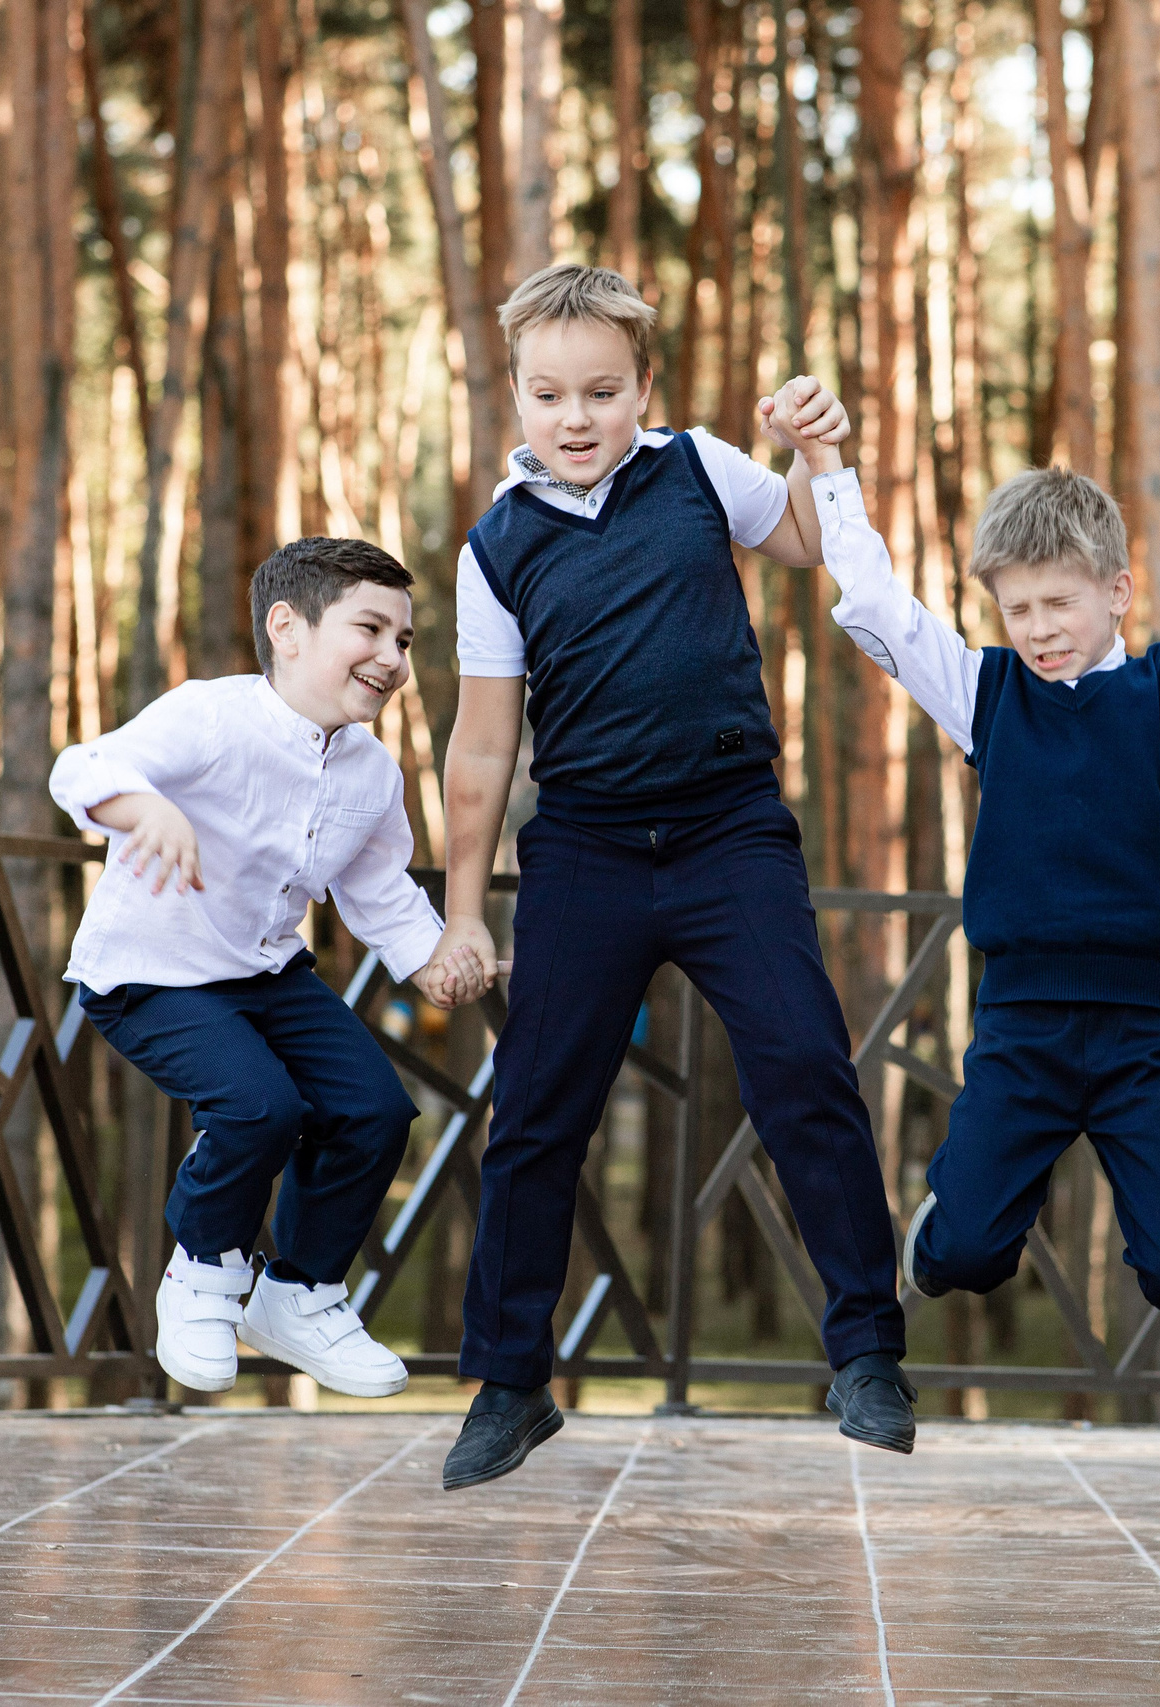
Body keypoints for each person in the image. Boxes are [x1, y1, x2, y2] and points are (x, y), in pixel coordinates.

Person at [425, 263, 914, 1490]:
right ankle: (509, 1383)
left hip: (727, 833)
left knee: (804, 1067)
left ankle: (866, 1354)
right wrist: (462, 910)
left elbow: (803, 538)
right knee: (535, 1111)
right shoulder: (497, 546)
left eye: (601, 392)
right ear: (517, 395)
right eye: (549, 395)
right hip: (584, 849)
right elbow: (482, 746)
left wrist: (811, 449)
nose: (576, 418)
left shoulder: (697, 467)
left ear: (643, 386)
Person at [805, 400, 1160, 1391]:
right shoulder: (986, 697)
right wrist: (826, 465)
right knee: (964, 1252)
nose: (1039, 629)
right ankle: (953, 1228)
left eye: (1059, 603)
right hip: (1022, 1025)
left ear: (1117, 592)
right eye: (1017, 610)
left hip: (1144, 1030)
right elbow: (882, 610)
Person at [53, 535, 456, 1401]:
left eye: (403, 640)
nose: (392, 658)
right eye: (369, 630)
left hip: (267, 975)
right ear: (288, 628)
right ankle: (202, 1275)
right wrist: (146, 806)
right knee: (259, 1106)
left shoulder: (371, 772)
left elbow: (379, 887)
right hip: (150, 974)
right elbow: (81, 767)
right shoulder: (211, 716)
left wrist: (434, 958)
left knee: (375, 1109)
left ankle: (300, 1295)